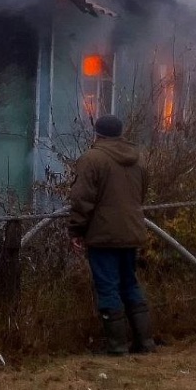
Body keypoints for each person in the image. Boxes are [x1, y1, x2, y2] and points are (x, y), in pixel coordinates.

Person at [68, 114, 155, 355]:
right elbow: (141, 194)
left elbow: (81, 199)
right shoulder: (138, 159)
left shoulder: (92, 158)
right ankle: (145, 343)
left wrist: (76, 229)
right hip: (131, 231)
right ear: (121, 133)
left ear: (97, 133)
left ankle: (117, 347)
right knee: (130, 283)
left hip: (103, 235)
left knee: (107, 287)